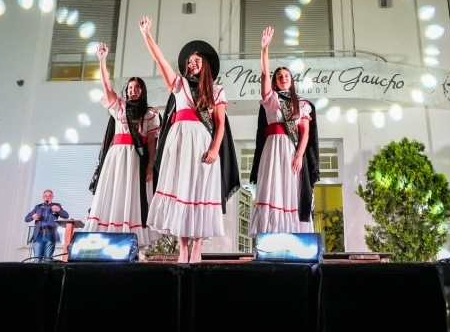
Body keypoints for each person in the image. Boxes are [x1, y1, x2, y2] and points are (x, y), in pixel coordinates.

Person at [138, 15, 239, 263]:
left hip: (203, 142)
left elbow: (220, 124)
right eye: (189, 61)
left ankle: (197, 246)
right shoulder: (179, 84)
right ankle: (183, 246)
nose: (192, 64)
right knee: (181, 187)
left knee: (199, 189)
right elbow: (160, 60)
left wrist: (215, 149)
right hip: (180, 141)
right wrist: (146, 34)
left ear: (204, 65)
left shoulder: (216, 91)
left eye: (196, 60)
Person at [86, 42, 161, 247]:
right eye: (130, 87)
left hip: (137, 157)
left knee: (133, 195)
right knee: (114, 190)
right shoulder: (119, 106)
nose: (133, 90)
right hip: (117, 156)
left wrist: (150, 166)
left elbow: (152, 142)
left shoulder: (150, 113)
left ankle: (132, 238)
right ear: (126, 91)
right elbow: (106, 86)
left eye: (137, 87)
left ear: (143, 90)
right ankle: (109, 233)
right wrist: (102, 60)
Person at [249, 26, 320, 236]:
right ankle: (271, 233)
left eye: (286, 74)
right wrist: (264, 49)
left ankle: (292, 233)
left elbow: (305, 133)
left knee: (290, 189)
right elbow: (264, 73)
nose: (283, 77)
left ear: (292, 79)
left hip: (291, 152)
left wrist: (299, 156)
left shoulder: (303, 104)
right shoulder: (272, 100)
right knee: (272, 187)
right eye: (279, 76)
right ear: (276, 81)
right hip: (272, 149)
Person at [24, 189, 69, 262]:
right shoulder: (38, 207)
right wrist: (32, 217)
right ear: (43, 197)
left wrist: (59, 210)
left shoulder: (57, 206)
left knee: (48, 259)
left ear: (52, 197)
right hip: (39, 235)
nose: (47, 197)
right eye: (45, 196)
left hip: (50, 234)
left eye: (49, 196)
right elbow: (26, 219)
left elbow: (66, 216)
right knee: (37, 259)